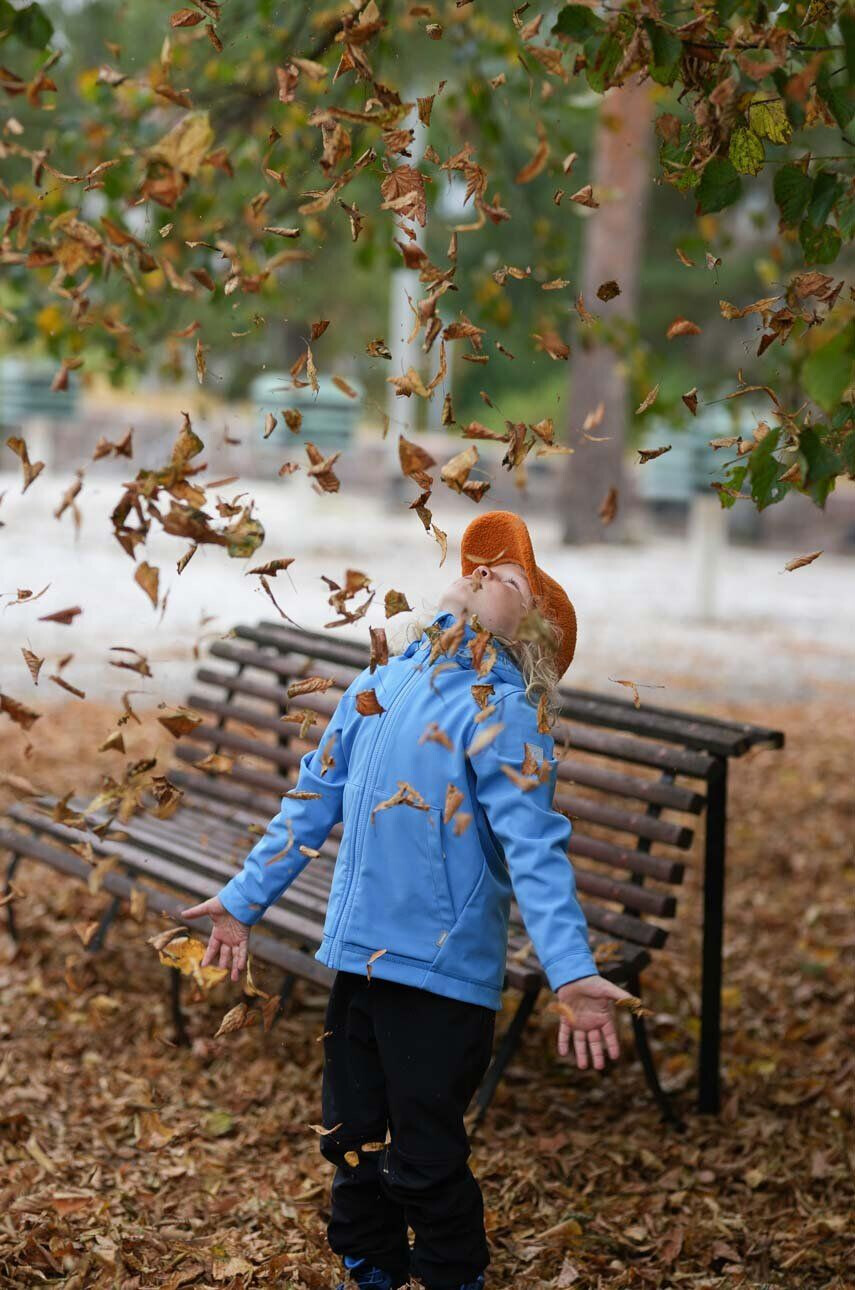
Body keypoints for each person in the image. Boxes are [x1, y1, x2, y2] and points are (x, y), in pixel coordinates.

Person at [181, 509, 633, 1290]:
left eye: (509, 577)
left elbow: (536, 852)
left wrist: (569, 972)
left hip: (440, 978)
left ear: (530, 637)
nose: (483, 571)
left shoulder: (504, 714)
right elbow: (309, 800)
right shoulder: (381, 680)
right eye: (479, 565)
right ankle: (372, 1270)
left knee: (423, 1158)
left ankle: (453, 1275)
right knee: (351, 1141)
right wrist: (241, 901)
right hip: (359, 961)